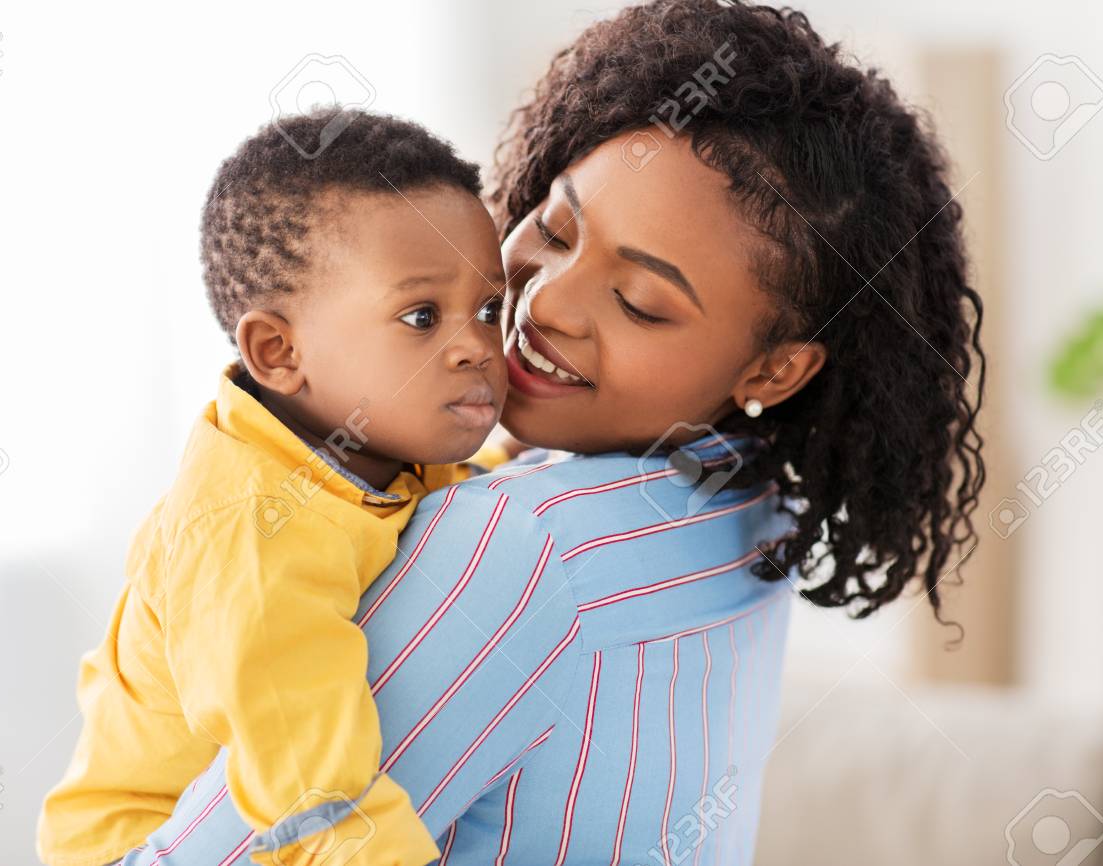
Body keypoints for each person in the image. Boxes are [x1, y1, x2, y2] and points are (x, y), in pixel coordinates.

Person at [112, 0, 987, 863]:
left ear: (773, 370)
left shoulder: (519, 542)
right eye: (557, 228)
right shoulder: (747, 500)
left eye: (641, 304)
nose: (545, 303)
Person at [36, 111, 514, 866]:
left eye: (490, 309)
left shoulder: (387, 439)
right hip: (140, 847)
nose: (477, 348)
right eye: (422, 317)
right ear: (279, 351)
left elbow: (478, 504)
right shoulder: (248, 534)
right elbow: (312, 796)